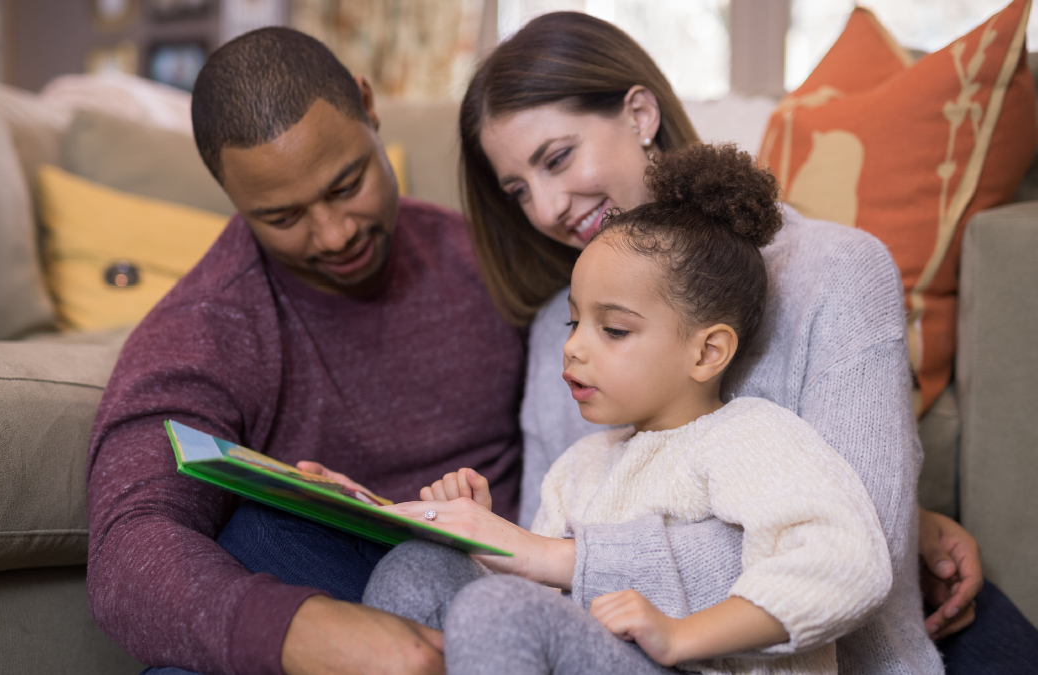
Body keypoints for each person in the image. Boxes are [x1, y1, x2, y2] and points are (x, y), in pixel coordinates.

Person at [380, 11, 1038, 674]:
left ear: (640, 114)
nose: (547, 208)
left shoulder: (834, 272)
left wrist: (556, 557)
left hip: (798, 652)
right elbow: (549, 554)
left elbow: (858, 548)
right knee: (415, 570)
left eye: (558, 157)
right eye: (519, 189)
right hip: (611, 643)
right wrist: (492, 537)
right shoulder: (562, 319)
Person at [84, 27, 526, 675]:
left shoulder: (489, 259)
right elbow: (129, 546)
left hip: (502, 590)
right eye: (284, 218)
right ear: (232, 197)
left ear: (368, 106)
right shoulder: (206, 325)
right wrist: (310, 631)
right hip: (331, 594)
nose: (335, 233)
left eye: (347, 185)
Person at [365, 143, 895, 675]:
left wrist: (682, 636)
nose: (574, 348)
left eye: (614, 329)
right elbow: (547, 614)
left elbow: (846, 564)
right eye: (574, 323)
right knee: (417, 568)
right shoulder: (580, 467)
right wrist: (480, 540)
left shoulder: (748, 437)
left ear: (707, 352)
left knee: (501, 610)